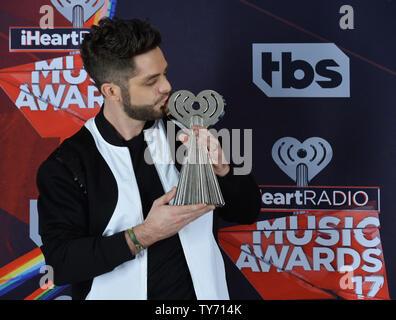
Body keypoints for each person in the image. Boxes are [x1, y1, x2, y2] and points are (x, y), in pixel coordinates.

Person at [36, 17, 261, 300]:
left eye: (165, 73)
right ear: (111, 91)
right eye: (151, 81)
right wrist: (144, 234)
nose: (167, 87)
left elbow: (247, 211)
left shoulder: (187, 133)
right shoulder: (67, 165)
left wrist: (225, 171)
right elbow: (62, 264)